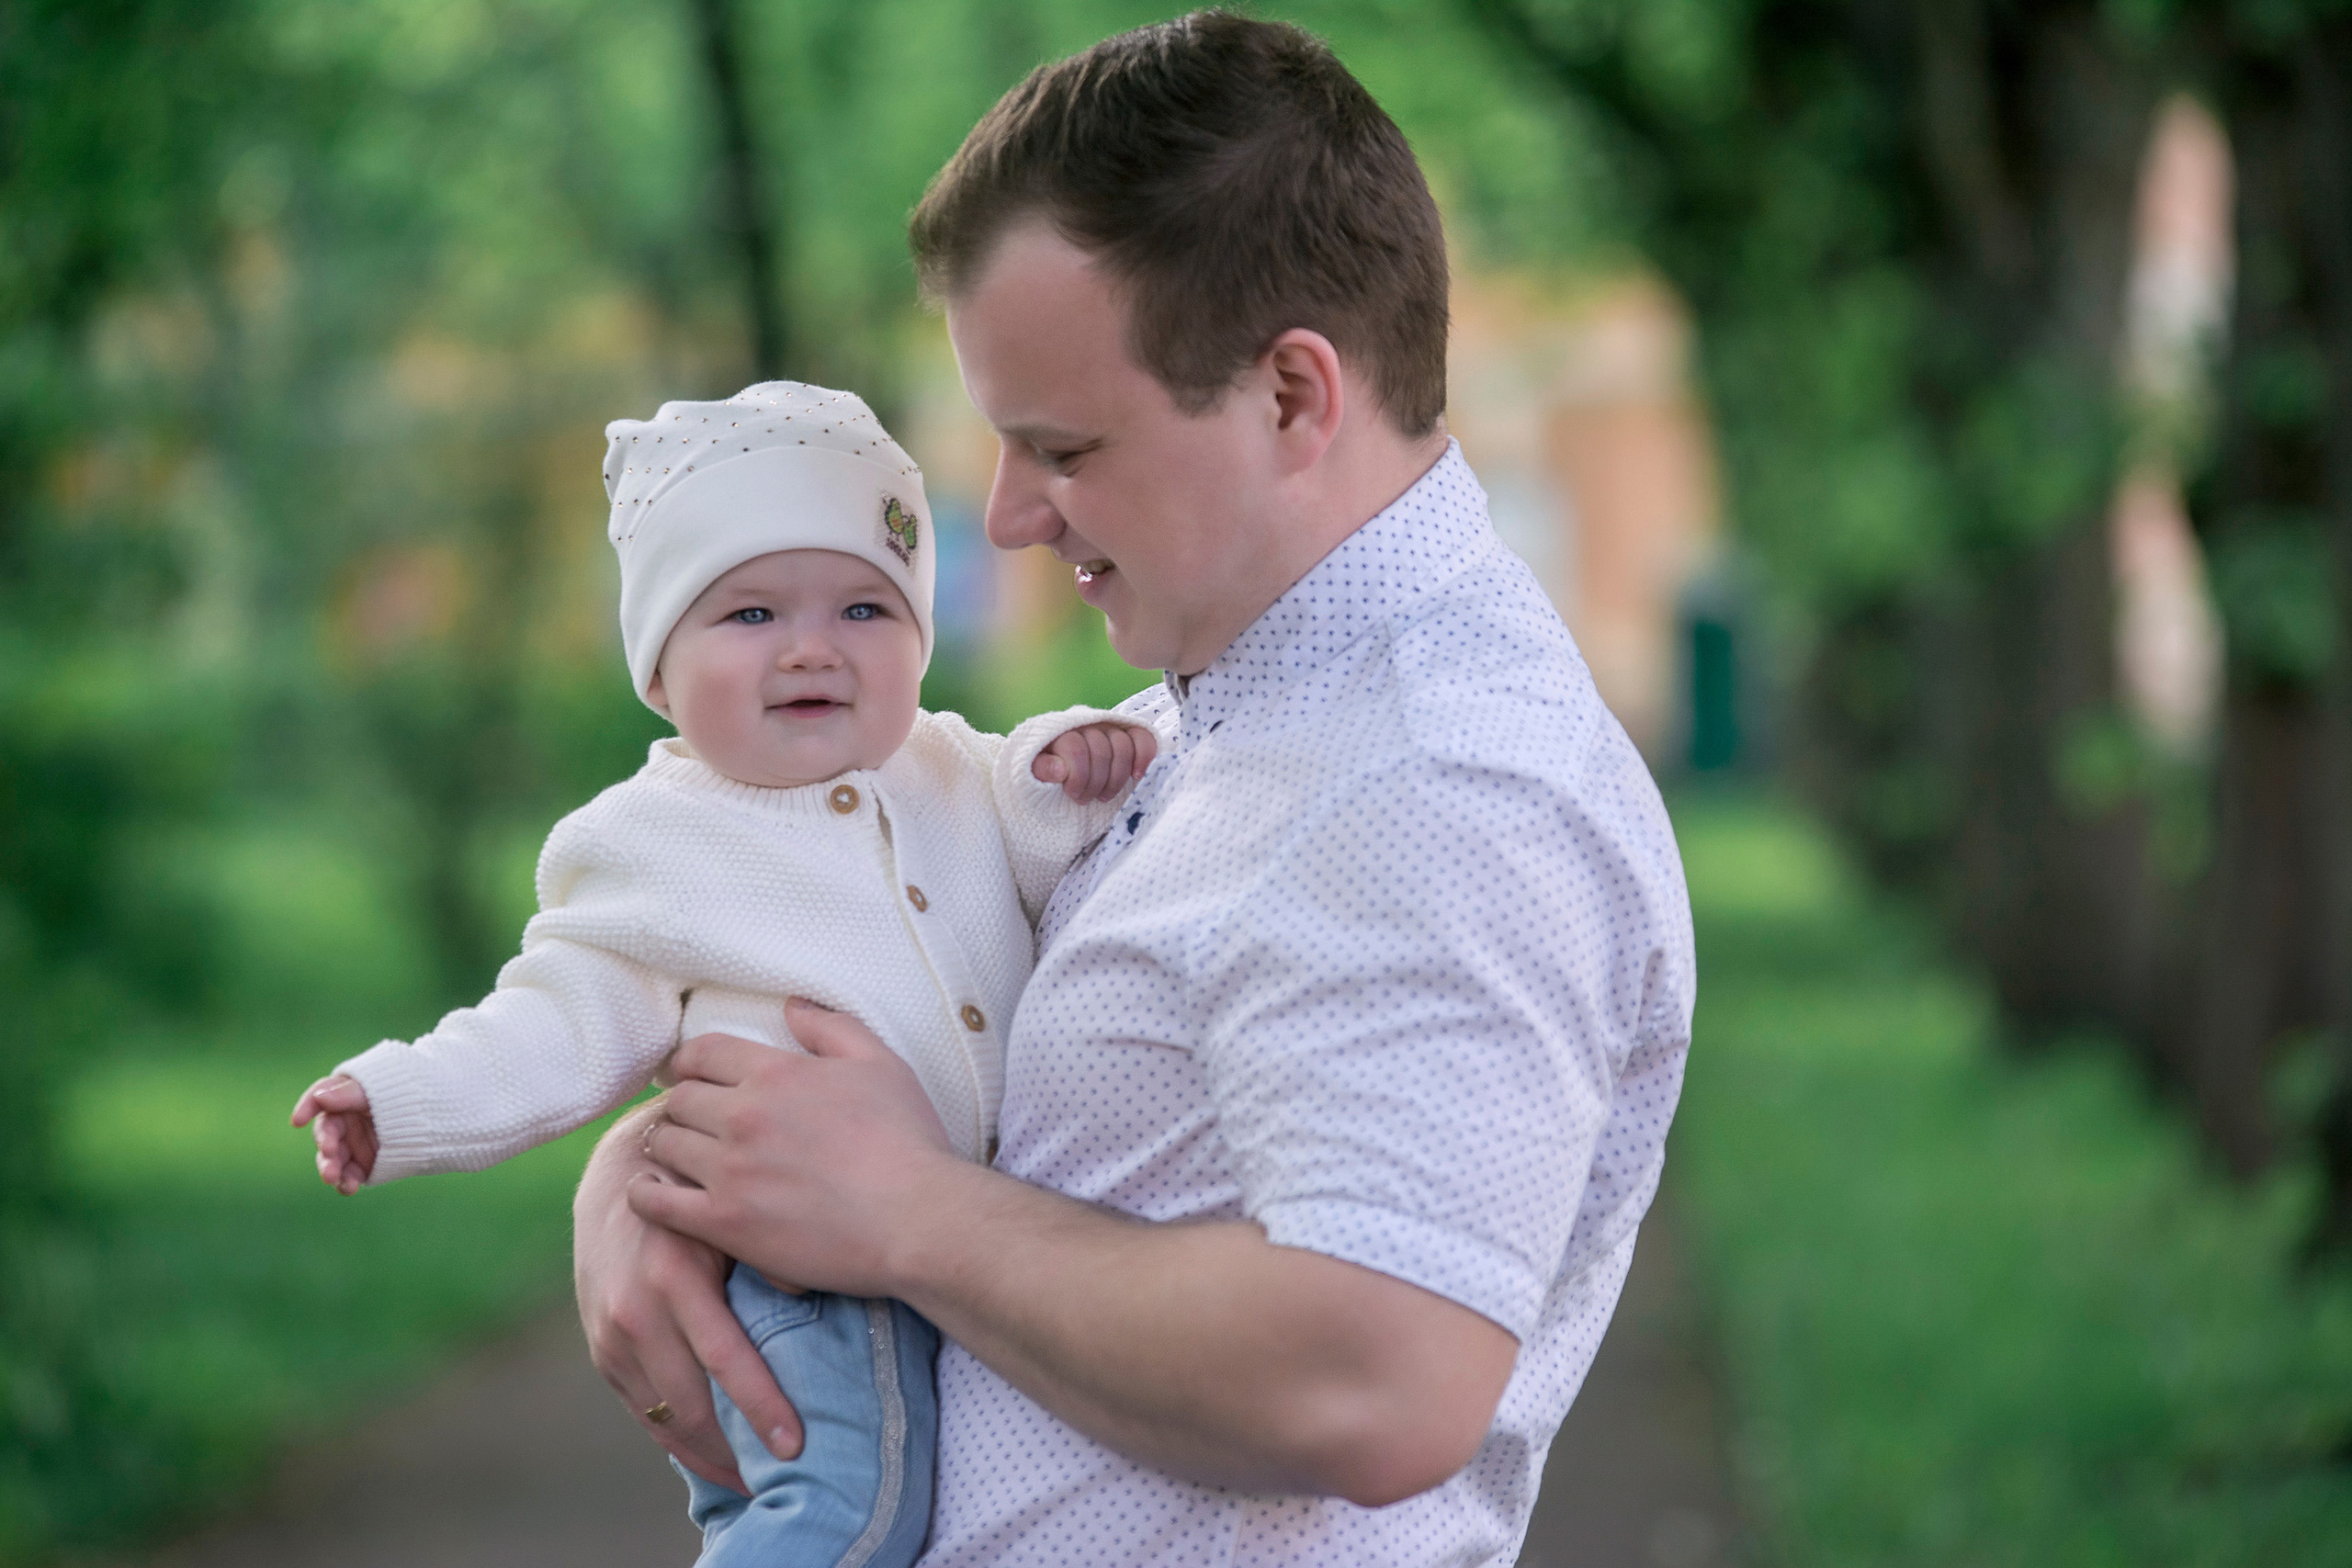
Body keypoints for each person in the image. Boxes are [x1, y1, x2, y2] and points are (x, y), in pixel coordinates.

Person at [576, 13, 1697, 1566]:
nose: (1011, 515)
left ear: (1295, 398)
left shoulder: (1442, 779)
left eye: (1064, 446)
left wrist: (902, 1215)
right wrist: (659, 1168)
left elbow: (1378, 1377)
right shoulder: (1217, 731)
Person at [288, 380, 1160, 1568]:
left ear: (918, 636)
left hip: (935, 1245)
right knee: (846, 1513)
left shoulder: (961, 770)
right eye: (749, 615)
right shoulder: (656, 844)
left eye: (863, 606)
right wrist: (397, 1103)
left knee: (806, 1509)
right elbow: (552, 1023)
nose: (812, 647)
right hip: (802, 1264)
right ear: (657, 669)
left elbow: (1070, 831)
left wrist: (1086, 755)